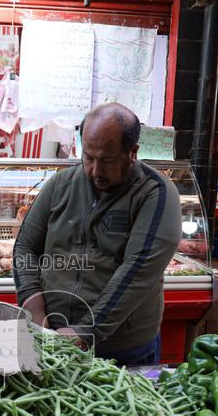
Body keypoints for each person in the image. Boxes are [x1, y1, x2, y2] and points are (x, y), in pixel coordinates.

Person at [13, 103, 182, 366]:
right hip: (51, 337)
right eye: (88, 157)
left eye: (107, 160)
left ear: (132, 152)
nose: (95, 170)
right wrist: (33, 306)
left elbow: (138, 271)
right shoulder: (60, 185)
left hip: (122, 350)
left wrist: (87, 330)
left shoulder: (156, 193)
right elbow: (25, 247)